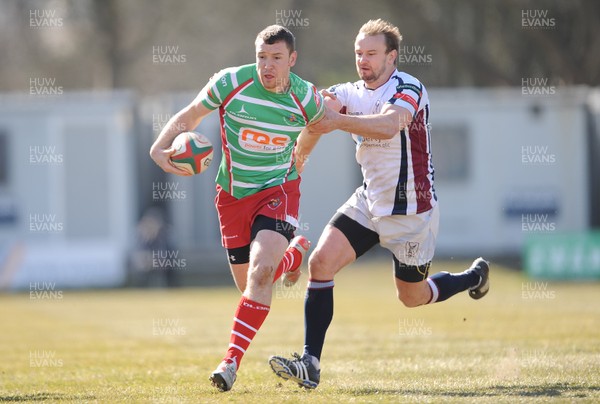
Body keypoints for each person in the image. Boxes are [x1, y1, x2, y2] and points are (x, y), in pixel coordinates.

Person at [268, 19, 490, 389]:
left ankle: (473, 277)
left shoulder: (408, 88)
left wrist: (336, 121)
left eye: (371, 53)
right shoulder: (350, 91)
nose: (363, 60)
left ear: (392, 56)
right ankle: (311, 363)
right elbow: (318, 117)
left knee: (412, 297)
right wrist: (298, 161)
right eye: (359, 53)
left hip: (412, 212)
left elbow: (389, 125)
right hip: (370, 201)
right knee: (320, 263)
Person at [149, 25, 325, 392]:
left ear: (292, 60)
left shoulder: (304, 97)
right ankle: (293, 258)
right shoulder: (231, 82)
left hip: (279, 190)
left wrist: (303, 153)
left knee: (261, 274)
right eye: (262, 57)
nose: (268, 65)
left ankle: (229, 363)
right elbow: (191, 114)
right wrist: (159, 148)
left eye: (277, 58)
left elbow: (323, 123)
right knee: (250, 286)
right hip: (232, 196)